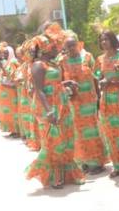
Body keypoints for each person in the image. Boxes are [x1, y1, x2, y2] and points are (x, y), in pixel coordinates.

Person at [25, 23, 85, 189]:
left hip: (61, 105)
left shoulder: (51, 63)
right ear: (47, 48)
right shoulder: (38, 65)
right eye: (55, 46)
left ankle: (67, 175)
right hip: (48, 108)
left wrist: (67, 82)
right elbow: (39, 89)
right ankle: (53, 176)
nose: (58, 48)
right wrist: (49, 111)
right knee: (53, 141)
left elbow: (54, 83)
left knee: (64, 139)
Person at [58, 31, 107, 175]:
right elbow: (58, 81)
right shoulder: (62, 61)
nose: (72, 48)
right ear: (65, 47)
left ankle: (97, 162)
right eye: (68, 46)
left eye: (74, 45)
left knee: (91, 131)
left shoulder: (87, 57)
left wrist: (98, 95)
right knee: (78, 133)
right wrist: (67, 87)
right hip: (73, 102)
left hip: (89, 101)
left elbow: (96, 76)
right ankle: (84, 161)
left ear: (78, 45)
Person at [94, 29, 119, 179]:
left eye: (107, 39)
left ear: (113, 40)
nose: (104, 42)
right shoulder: (100, 60)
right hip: (107, 100)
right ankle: (118, 166)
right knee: (110, 132)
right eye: (102, 40)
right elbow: (97, 78)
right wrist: (103, 85)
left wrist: (115, 81)